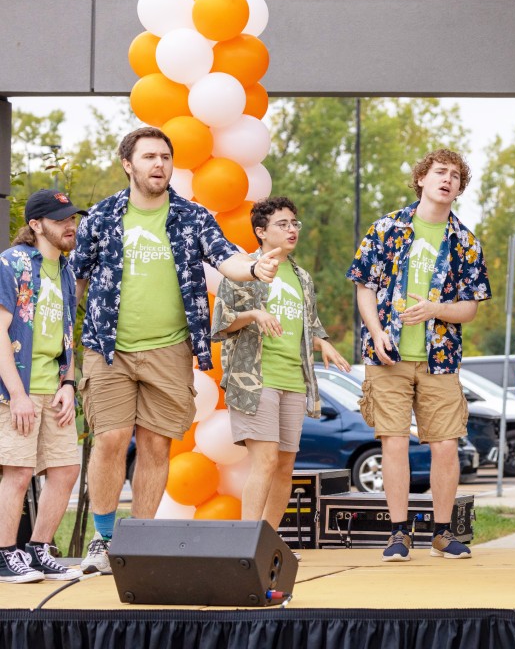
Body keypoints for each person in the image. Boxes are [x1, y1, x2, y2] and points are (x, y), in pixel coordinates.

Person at [71, 127, 280, 573]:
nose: (159, 164)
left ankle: (138, 542)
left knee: (155, 445)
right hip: (109, 348)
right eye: (149, 157)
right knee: (109, 438)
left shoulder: (191, 215)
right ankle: (103, 539)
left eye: (165, 156)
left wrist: (255, 266)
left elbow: (226, 257)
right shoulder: (104, 216)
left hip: (170, 349)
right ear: (128, 164)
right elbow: (75, 275)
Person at [347, 149, 490, 562]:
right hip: (387, 354)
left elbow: (471, 308)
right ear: (422, 178)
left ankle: (443, 533)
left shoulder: (465, 241)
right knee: (393, 443)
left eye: (455, 176)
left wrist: (435, 310)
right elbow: (364, 287)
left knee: (445, 445)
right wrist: (375, 333)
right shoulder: (386, 228)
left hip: (439, 357)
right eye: (440, 172)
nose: (447, 180)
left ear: (460, 189)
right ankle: (397, 533)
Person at [213, 197, 349, 528]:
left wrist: (323, 344)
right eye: (283, 224)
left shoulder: (302, 277)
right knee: (266, 460)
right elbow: (220, 324)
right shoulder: (244, 269)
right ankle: (247, 540)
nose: (292, 230)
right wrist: (253, 314)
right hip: (256, 379)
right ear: (261, 231)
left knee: (285, 465)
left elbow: (309, 326)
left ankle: (270, 539)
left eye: (295, 224)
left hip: (294, 380)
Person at [0, 191, 86, 582]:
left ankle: (37, 549)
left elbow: (68, 333)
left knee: (66, 468)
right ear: (36, 225)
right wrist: (17, 393)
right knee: (18, 473)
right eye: (61, 219)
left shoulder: (66, 270)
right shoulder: (12, 262)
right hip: (16, 387)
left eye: (72, 218)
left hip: (54, 388)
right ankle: (5, 555)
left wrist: (68, 383)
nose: (71, 225)